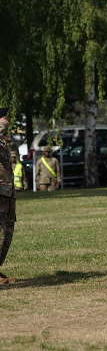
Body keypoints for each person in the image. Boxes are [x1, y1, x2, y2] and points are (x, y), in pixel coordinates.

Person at [0, 107, 16, 285]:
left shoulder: (3, 141)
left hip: (7, 194)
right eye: (3, 117)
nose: (7, 119)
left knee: (7, 233)